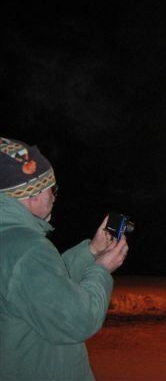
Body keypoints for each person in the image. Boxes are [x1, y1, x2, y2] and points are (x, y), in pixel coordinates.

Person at [0, 137, 129, 380]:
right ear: (33, 194)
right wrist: (101, 270)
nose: (54, 197)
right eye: (53, 189)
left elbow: (42, 287)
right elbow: (77, 321)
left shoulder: (10, 242)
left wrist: (91, 251)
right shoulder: (27, 250)